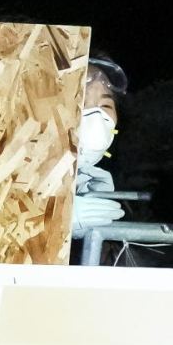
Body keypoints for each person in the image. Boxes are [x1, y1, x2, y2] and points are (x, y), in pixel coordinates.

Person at [71, 51, 133, 242]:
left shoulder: (91, 181)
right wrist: (54, 216)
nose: (96, 115)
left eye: (106, 106)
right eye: (81, 101)